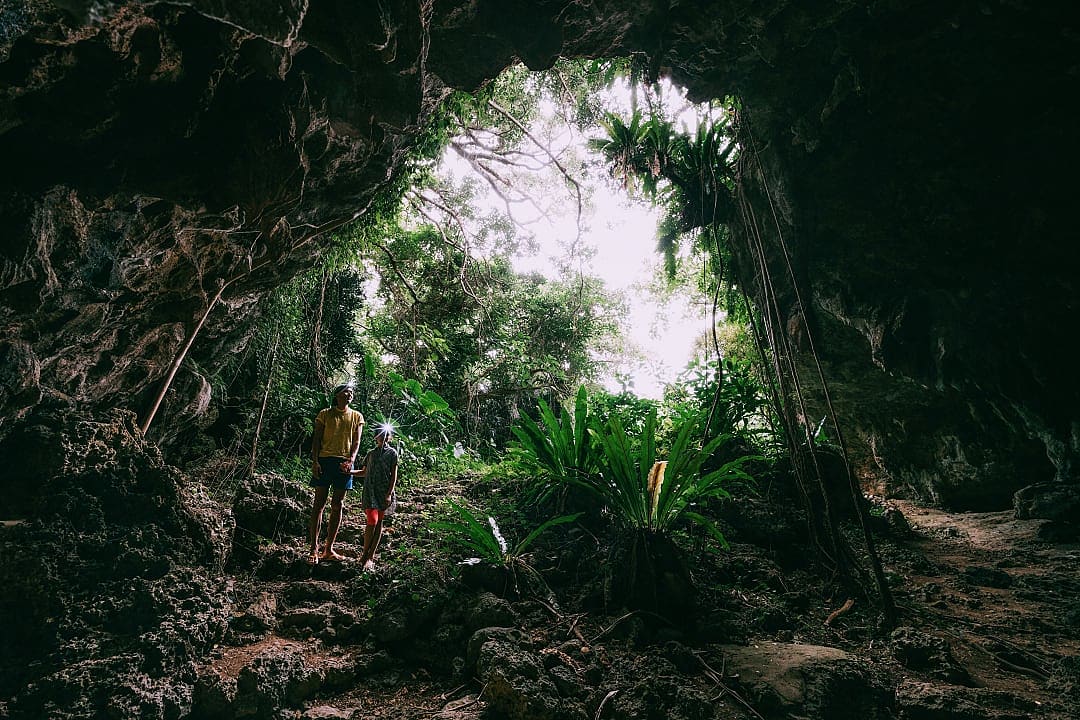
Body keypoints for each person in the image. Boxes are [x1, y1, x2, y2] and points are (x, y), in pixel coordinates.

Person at [308, 383, 364, 564]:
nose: (350, 394)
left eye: (351, 392)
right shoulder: (324, 414)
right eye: (346, 392)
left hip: (344, 464)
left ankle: (329, 548)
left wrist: (351, 461)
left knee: (337, 504)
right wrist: (315, 461)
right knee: (319, 504)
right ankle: (313, 549)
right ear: (337, 395)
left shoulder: (357, 416)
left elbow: (357, 441)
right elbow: (316, 439)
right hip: (325, 461)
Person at [357, 426, 398, 572]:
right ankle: (364, 553)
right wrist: (349, 472)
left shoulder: (392, 453)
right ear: (376, 437)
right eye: (380, 435)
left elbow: (394, 475)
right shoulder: (370, 454)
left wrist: (389, 493)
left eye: (385, 435)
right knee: (371, 521)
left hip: (383, 492)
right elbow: (364, 472)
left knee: (379, 521)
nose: (383, 437)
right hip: (370, 491)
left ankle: (371, 555)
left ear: (389, 437)